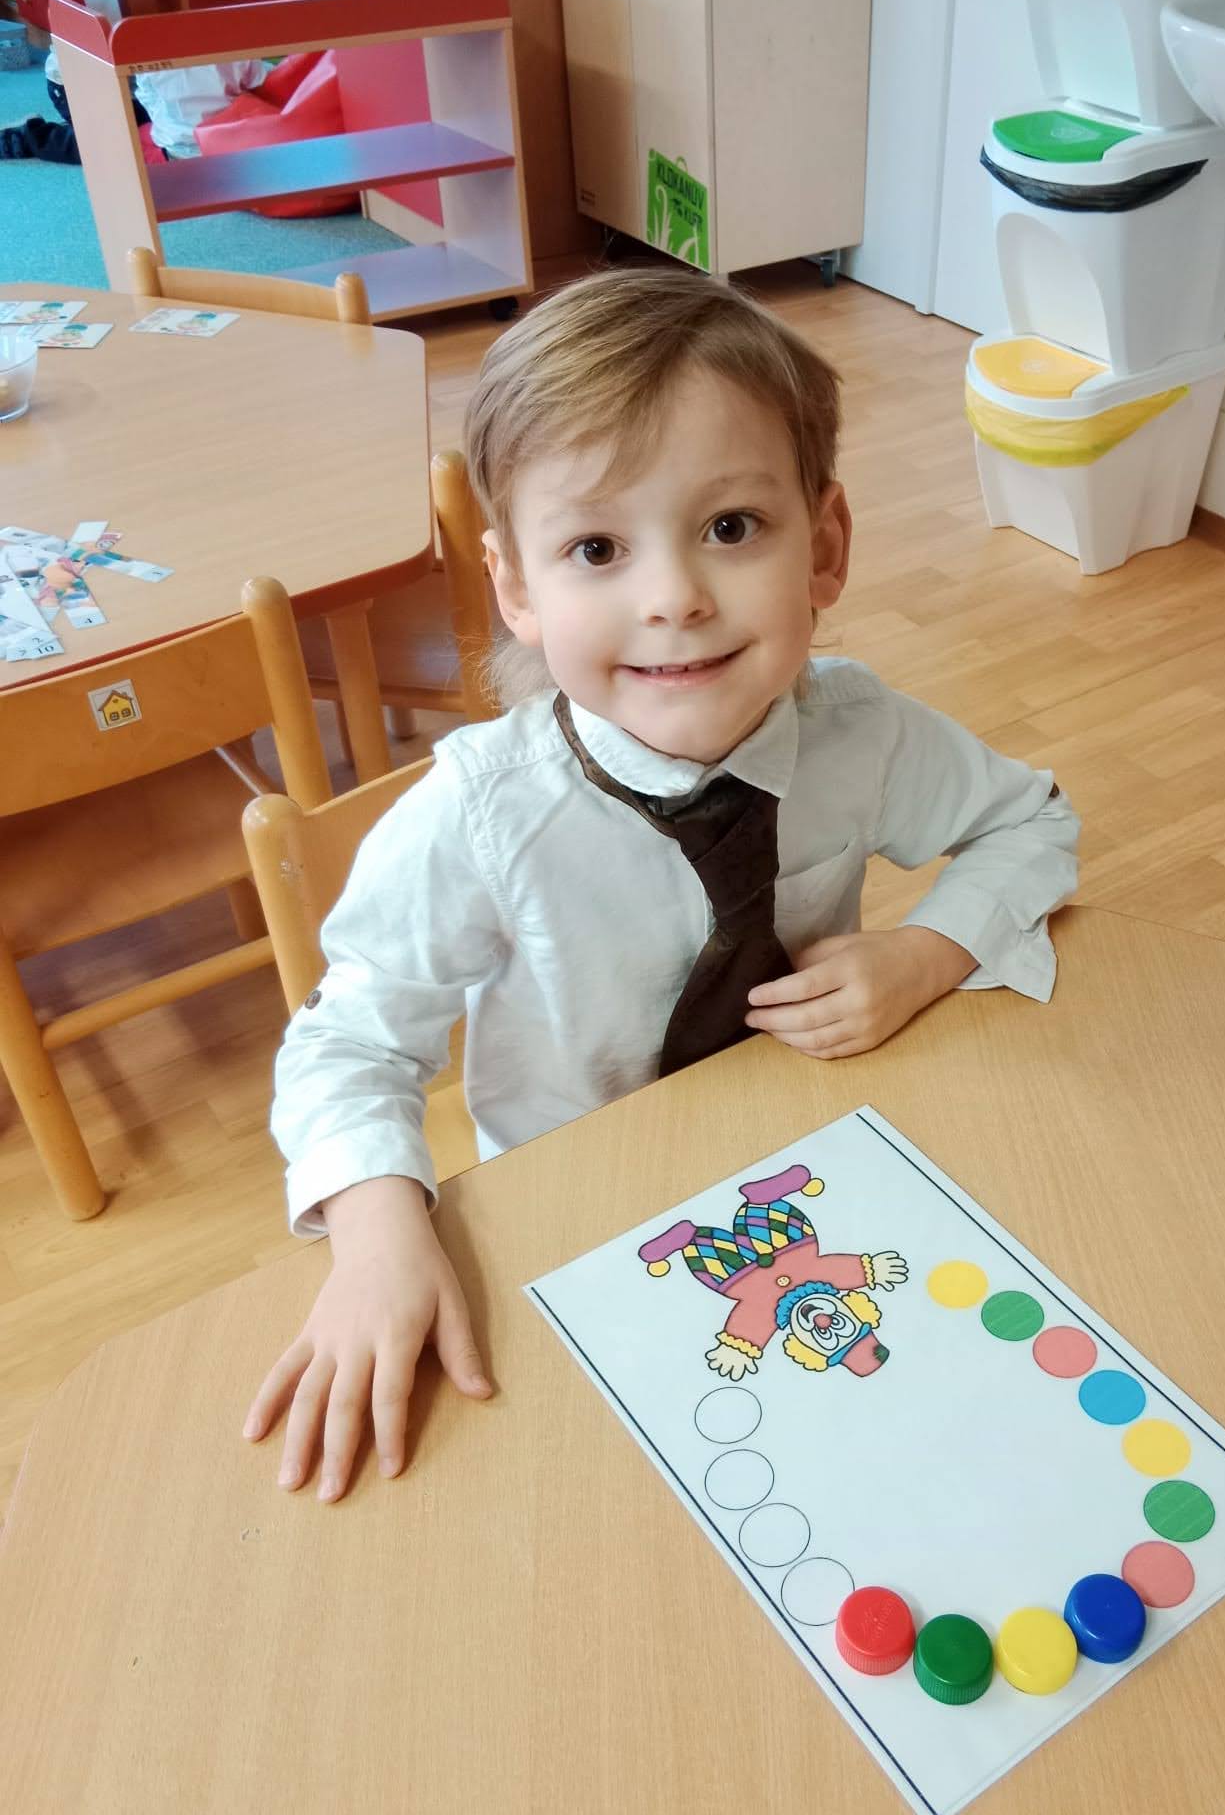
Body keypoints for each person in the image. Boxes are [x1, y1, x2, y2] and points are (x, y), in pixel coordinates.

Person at [244, 265, 1080, 1501]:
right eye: (596, 548)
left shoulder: (860, 736)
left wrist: (928, 952)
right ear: (518, 588)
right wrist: (374, 1234)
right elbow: (348, 1043)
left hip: (809, 1160)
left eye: (731, 528)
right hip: (576, 1215)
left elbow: (1033, 822)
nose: (675, 598)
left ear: (825, 546)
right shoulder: (480, 818)